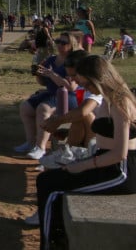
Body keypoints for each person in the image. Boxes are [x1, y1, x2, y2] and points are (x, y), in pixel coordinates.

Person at [35, 55, 136, 249]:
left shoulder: (120, 102)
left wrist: (81, 165)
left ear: (99, 78)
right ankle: (59, 238)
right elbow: (106, 133)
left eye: (86, 84)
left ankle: (51, 243)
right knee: (48, 180)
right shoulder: (107, 98)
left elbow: (119, 153)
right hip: (106, 162)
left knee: (51, 186)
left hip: (120, 171)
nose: (85, 89)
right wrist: (64, 132)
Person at [14, 32, 80, 160]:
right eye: (58, 41)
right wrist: (38, 74)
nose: (59, 45)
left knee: (43, 109)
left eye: (64, 43)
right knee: (25, 107)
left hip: (66, 97)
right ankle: (30, 143)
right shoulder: (52, 59)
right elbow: (43, 82)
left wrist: (51, 74)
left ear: (72, 45)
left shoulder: (73, 62)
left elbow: (71, 87)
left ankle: (41, 147)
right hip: (51, 94)